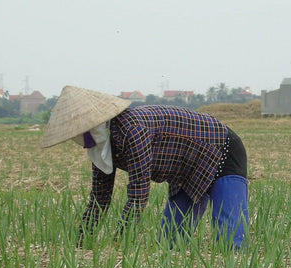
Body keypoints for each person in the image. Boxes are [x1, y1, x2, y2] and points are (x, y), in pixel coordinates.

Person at [41, 85, 249, 248]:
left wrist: (120, 240)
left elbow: (138, 195)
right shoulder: (101, 145)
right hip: (185, 169)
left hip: (221, 148)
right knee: (170, 243)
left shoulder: (133, 130)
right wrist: (82, 241)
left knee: (230, 240)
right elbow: (99, 200)